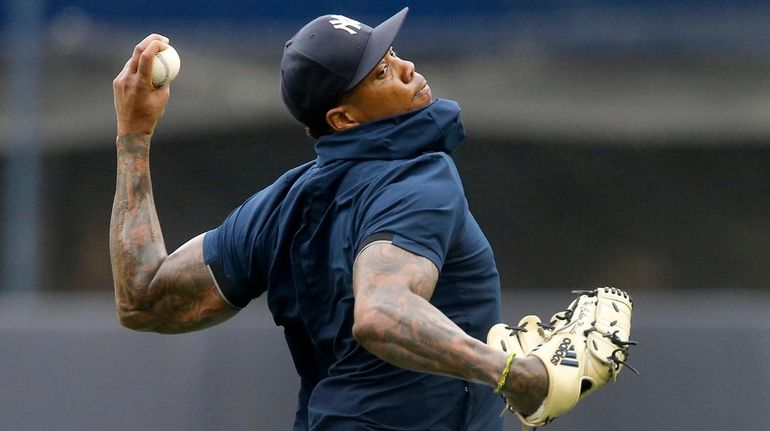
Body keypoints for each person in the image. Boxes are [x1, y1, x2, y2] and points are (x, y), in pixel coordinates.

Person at [111, 7, 548, 430]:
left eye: (391, 55)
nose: (407, 68)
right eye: (380, 73)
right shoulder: (418, 177)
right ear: (343, 118)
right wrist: (514, 373)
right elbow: (381, 313)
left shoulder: (282, 205)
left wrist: (134, 134)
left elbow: (144, 298)